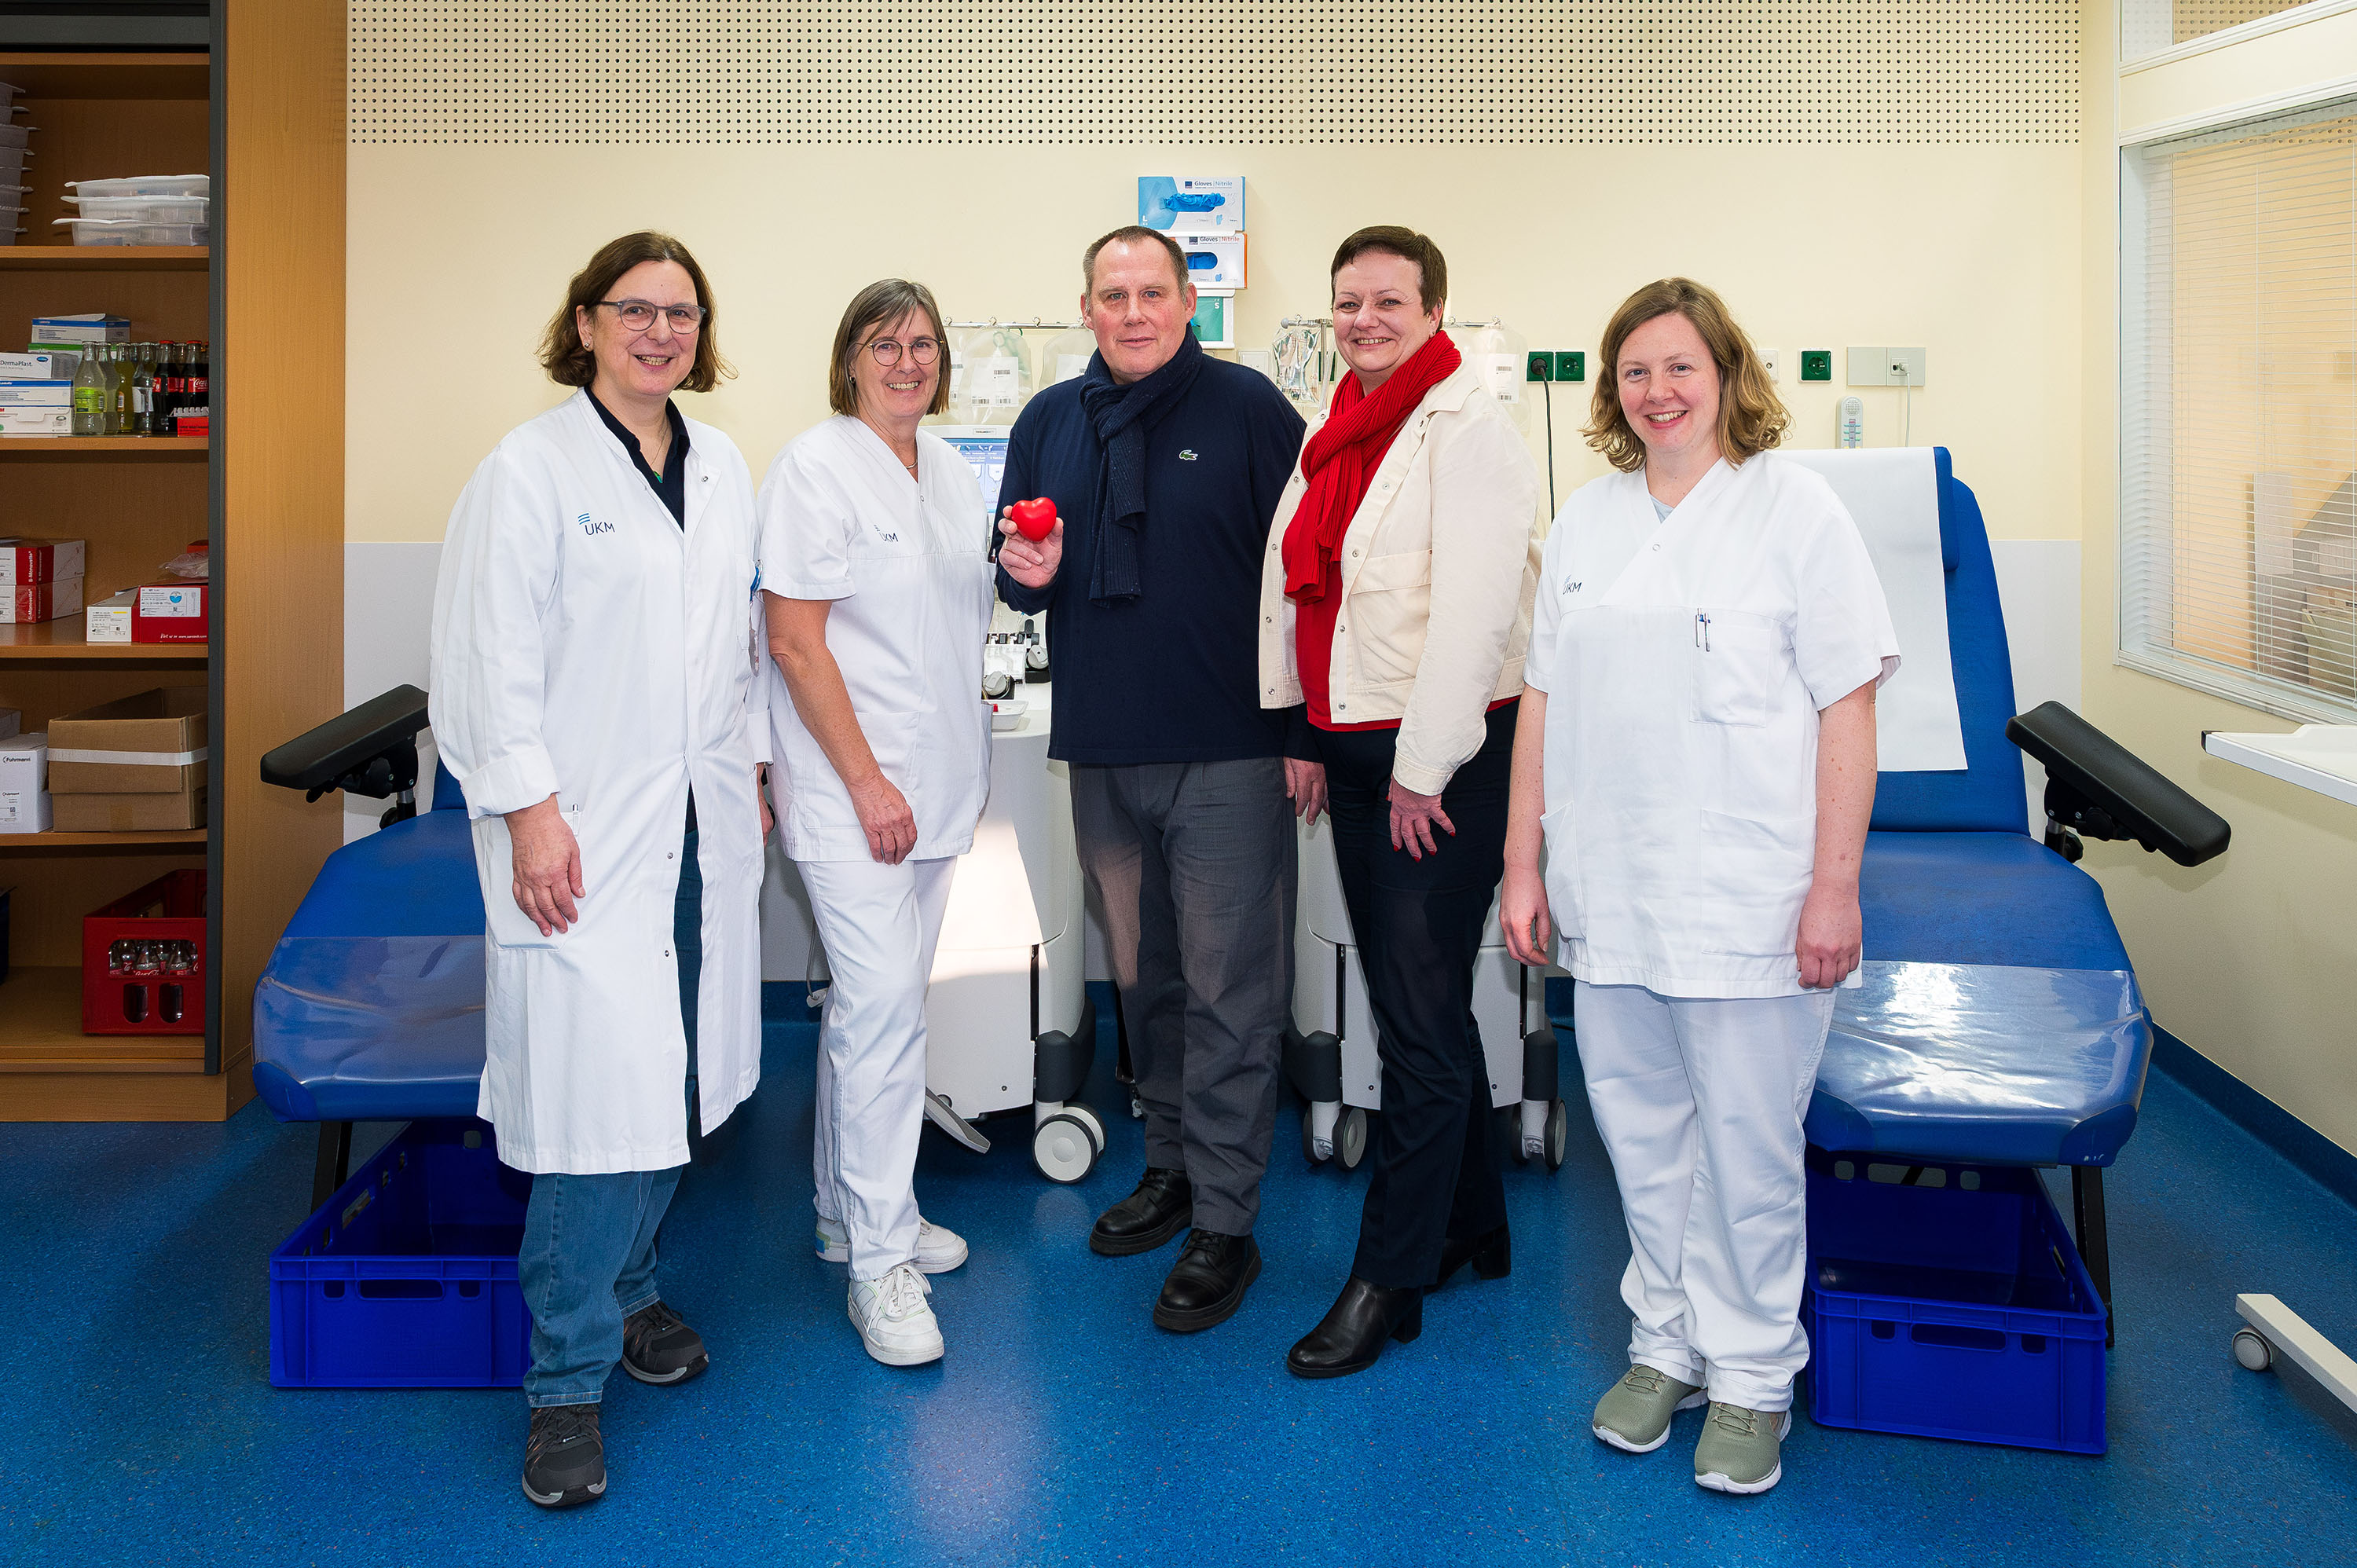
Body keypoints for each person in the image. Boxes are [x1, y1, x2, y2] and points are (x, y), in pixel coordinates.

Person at [1498, 277, 1897, 1496]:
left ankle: (1754, 1377)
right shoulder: (1587, 524)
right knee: (1641, 1137)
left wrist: (1835, 889)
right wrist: (1523, 865)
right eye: (1635, 371)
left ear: (1727, 375)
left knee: (1747, 1149)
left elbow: (1849, 706)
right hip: (1613, 891)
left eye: (1680, 366)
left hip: (1749, 896)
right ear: (1612, 390)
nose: (1658, 390)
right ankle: (1664, 1346)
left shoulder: (1796, 511)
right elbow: (1541, 705)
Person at [430, 231, 770, 1509]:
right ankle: (564, 1388)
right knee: (588, 1110)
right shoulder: (528, 471)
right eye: (635, 310)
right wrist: (528, 813)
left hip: (698, 826)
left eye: (682, 314)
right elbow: (484, 661)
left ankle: (632, 1294)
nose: (659, 333)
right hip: (581, 835)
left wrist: (756, 769)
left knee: (671, 1075)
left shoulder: (721, 464)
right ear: (585, 324)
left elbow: (736, 645)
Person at [995, 225, 1307, 1332]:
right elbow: (1022, 580)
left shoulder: (1249, 410)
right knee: (1145, 983)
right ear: (1086, 309)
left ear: (1189, 304)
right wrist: (1025, 572)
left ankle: (1226, 1220)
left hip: (1230, 748)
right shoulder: (1049, 422)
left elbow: (1306, 573)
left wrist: (1303, 733)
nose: (1133, 312)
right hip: (1105, 749)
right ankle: (1170, 1166)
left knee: (1229, 991)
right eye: (1112, 295)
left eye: (1152, 293)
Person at [1259, 226, 1542, 1378]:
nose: (1365, 320)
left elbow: (1473, 619)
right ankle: (1472, 1226)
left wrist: (1422, 770)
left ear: (1434, 311)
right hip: (1358, 744)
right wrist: (1304, 732)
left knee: (1414, 1025)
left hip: (1446, 756)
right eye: (1348, 302)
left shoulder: (1471, 431)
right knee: (1413, 1001)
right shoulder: (1337, 424)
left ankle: (1388, 1275)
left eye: (1389, 301)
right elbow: (1304, 590)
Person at [759, 280, 989, 1368]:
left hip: (934, 785)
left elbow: (958, 614)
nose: (908, 361)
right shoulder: (814, 468)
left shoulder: (948, 470)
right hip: (855, 792)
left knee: (877, 1010)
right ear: (849, 358)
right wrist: (866, 783)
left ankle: (846, 1212)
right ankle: (880, 1266)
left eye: (924, 343)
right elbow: (795, 642)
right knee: (885, 1010)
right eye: (885, 343)